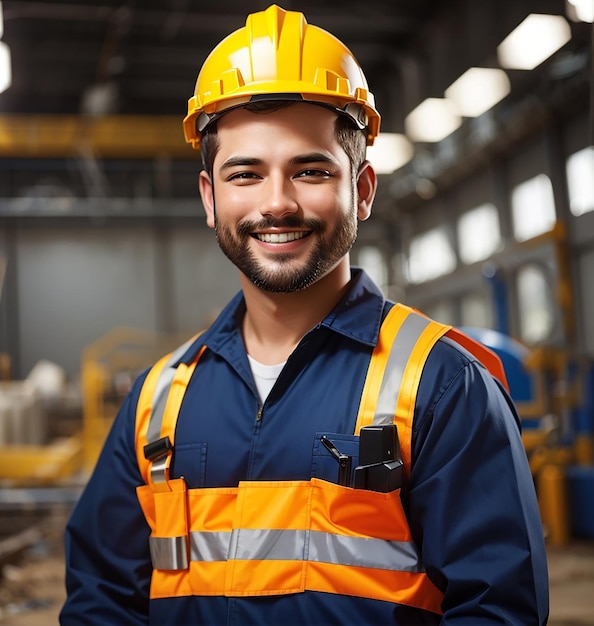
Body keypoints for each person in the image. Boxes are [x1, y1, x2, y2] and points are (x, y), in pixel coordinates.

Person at [60, 5, 549, 625]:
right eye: (246, 173)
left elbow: (497, 610)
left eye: (311, 170)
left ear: (363, 189)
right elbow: (101, 602)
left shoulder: (442, 385)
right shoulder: (159, 399)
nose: (277, 203)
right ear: (210, 198)